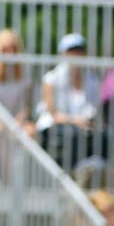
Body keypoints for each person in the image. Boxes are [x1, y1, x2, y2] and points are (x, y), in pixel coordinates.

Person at [35, 33, 102, 173]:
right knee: (72, 134)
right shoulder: (51, 78)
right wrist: (75, 121)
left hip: (83, 126)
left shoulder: (92, 80)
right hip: (54, 125)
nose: (76, 55)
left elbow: (95, 109)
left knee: (104, 135)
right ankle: (72, 176)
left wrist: (89, 121)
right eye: (72, 51)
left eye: (79, 51)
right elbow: (52, 113)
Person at [0, 28, 34, 134]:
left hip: (19, 121)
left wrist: (17, 121)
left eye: (13, 49)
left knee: (30, 132)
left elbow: (27, 104)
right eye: (5, 49)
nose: (10, 54)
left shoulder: (25, 71)